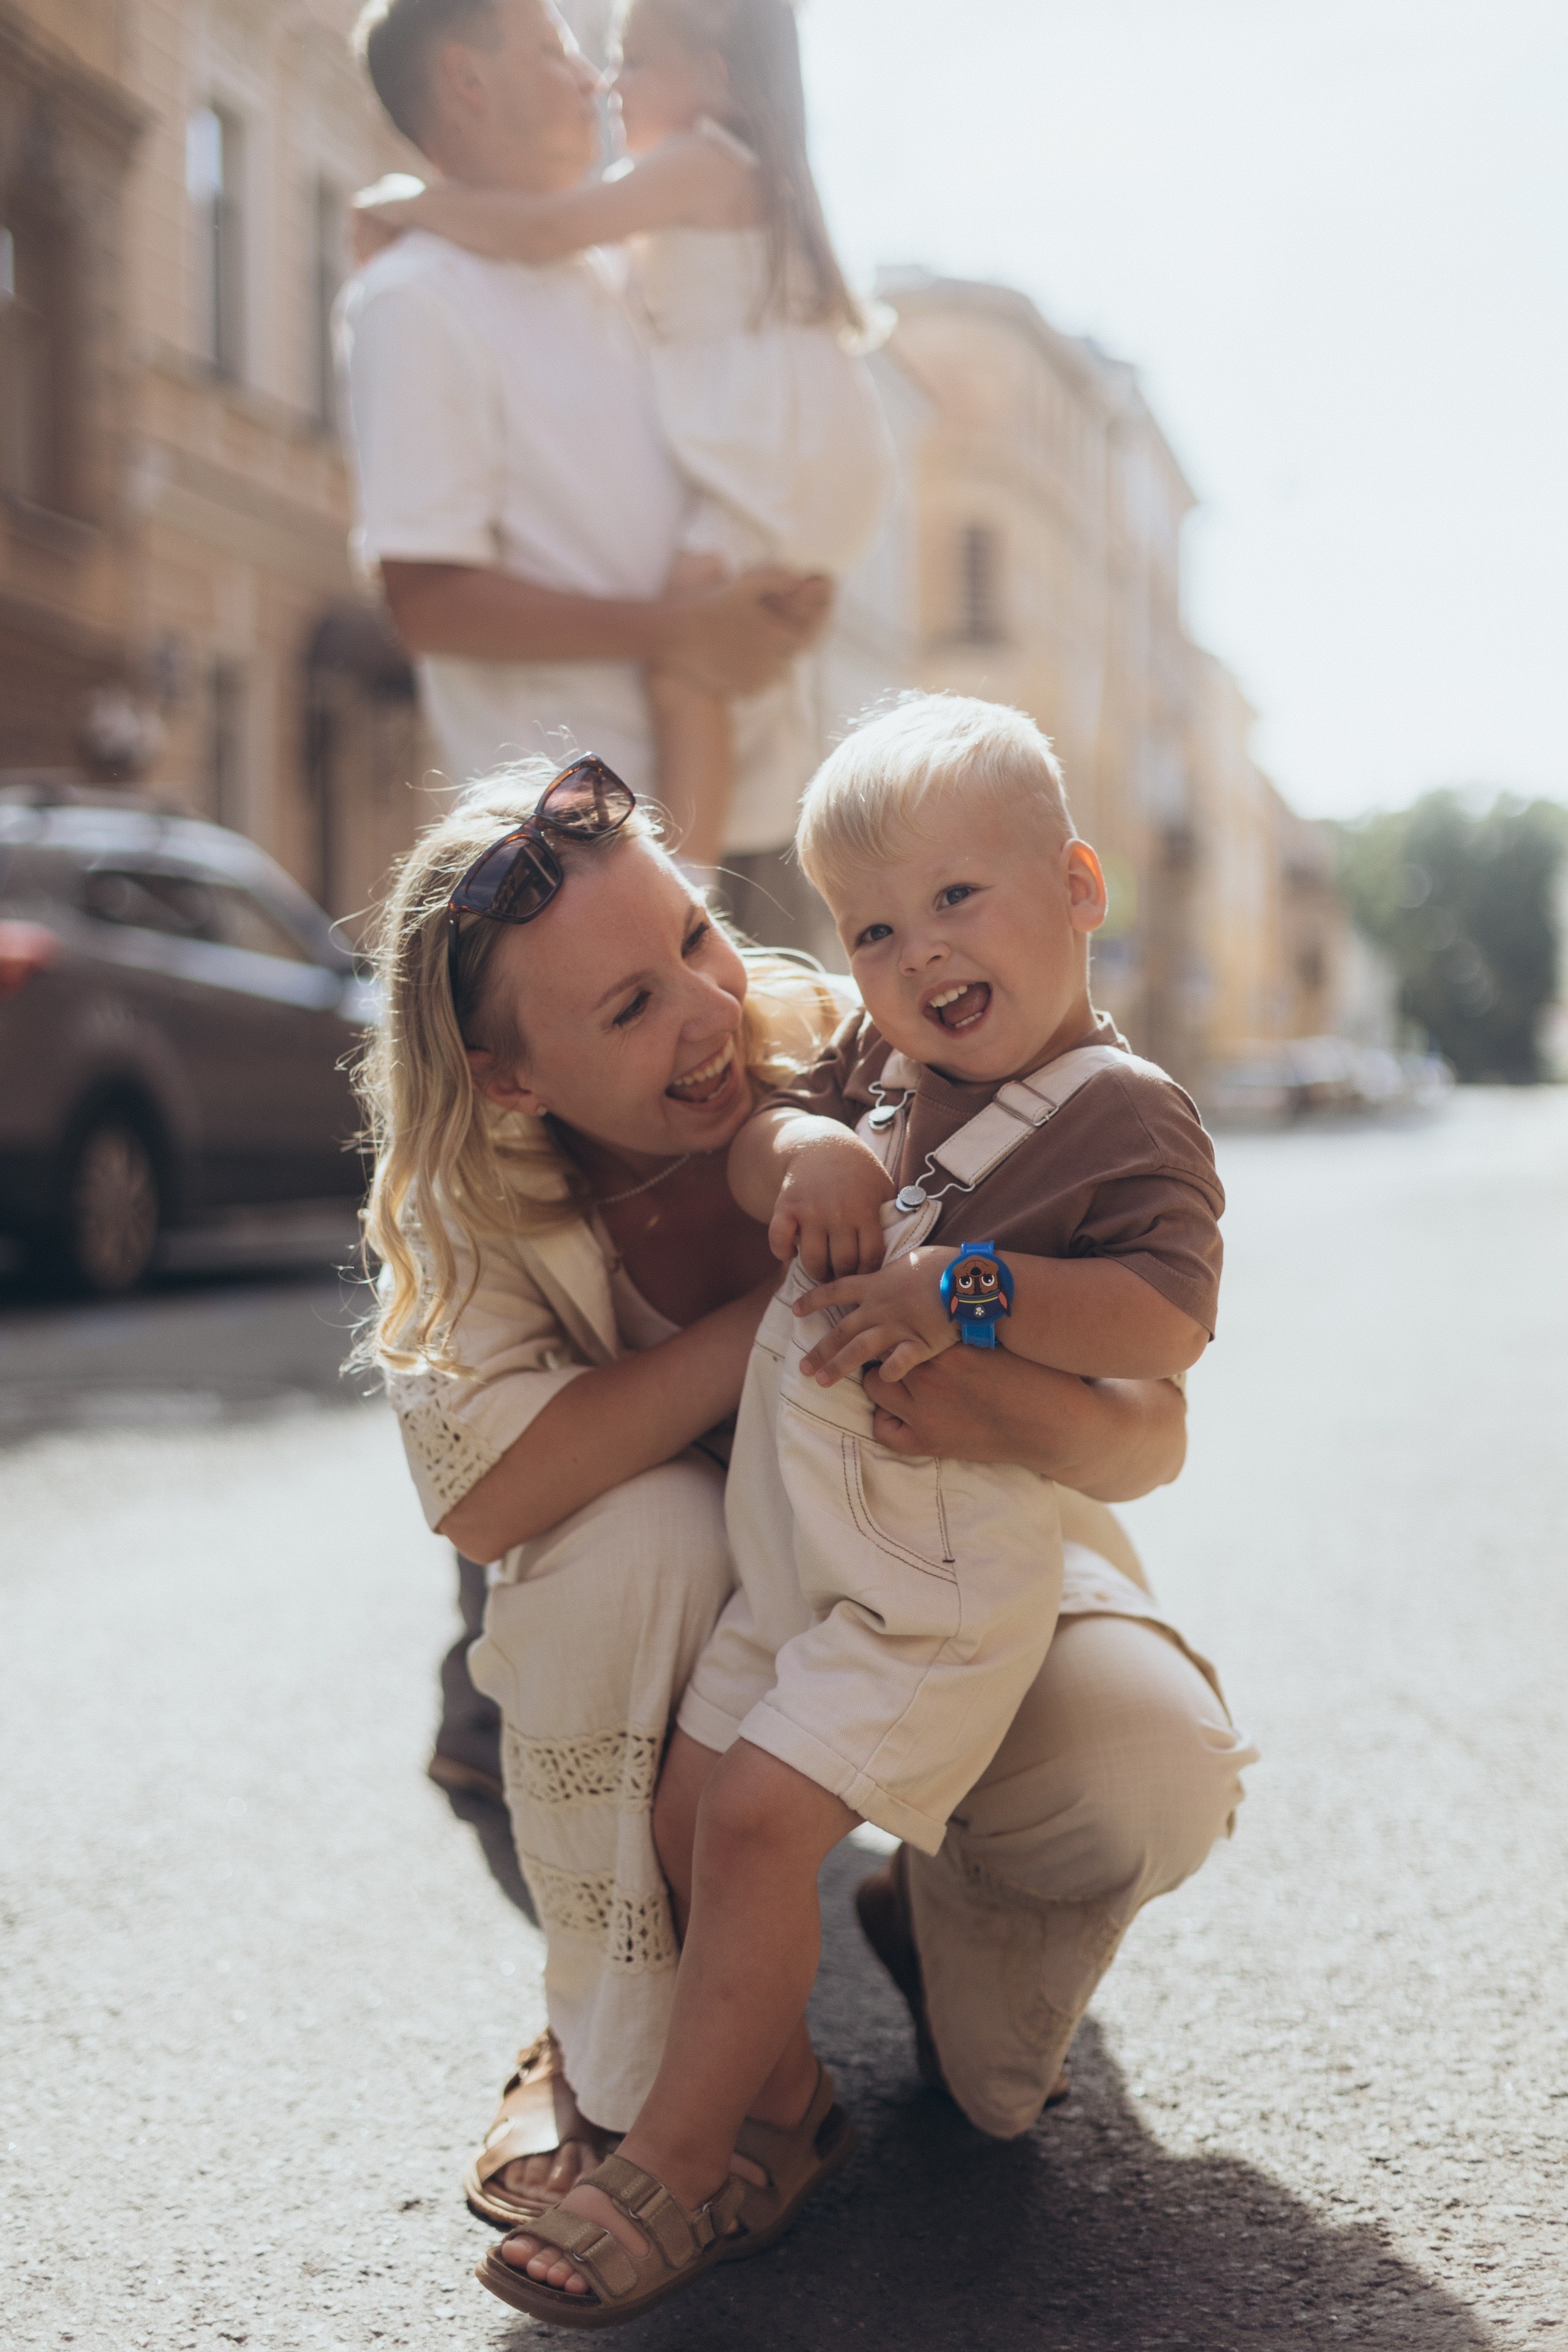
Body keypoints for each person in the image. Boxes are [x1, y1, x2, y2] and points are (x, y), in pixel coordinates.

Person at [355, 751, 1256, 2307]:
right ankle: (651, 2072)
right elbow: (490, 1493)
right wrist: (792, 1299)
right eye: (626, 1009)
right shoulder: (474, 1196)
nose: (706, 1013)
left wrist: (979, 1377)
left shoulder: (877, 1033)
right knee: (641, 1570)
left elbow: (1149, 1420)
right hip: (745, 1594)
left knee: (1129, 1796)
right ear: (512, 1080)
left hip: (946, 1557)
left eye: (695, 940)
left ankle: (933, 1915)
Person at [357, 0, 895, 875]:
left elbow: (729, 469)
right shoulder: (416, 296)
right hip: (577, 848)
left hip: (739, 809)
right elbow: (426, 602)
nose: (595, 77)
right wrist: (680, 630)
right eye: (556, 50)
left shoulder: (619, 275)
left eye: (613, 56)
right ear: (468, 80)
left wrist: (784, 598)